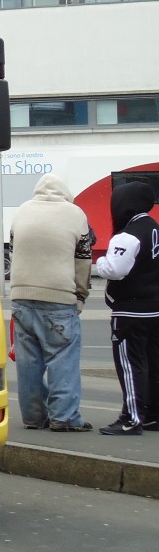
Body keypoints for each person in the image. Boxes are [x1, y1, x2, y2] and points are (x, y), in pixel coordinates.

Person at [8, 173, 95, 432]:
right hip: (58, 298)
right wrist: (80, 296)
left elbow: (13, 250)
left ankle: (34, 417)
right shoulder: (75, 214)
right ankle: (64, 417)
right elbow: (83, 261)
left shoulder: (22, 211)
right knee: (62, 359)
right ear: (65, 194)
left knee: (28, 363)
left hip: (21, 297)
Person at [95, 181, 159, 436]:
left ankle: (130, 419)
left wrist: (100, 262)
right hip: (155, 309)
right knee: (153, 363)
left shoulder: (128, 235)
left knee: (131, 365)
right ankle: (153, 414)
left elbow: (116, 270)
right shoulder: (154, 228)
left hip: (131, 312)